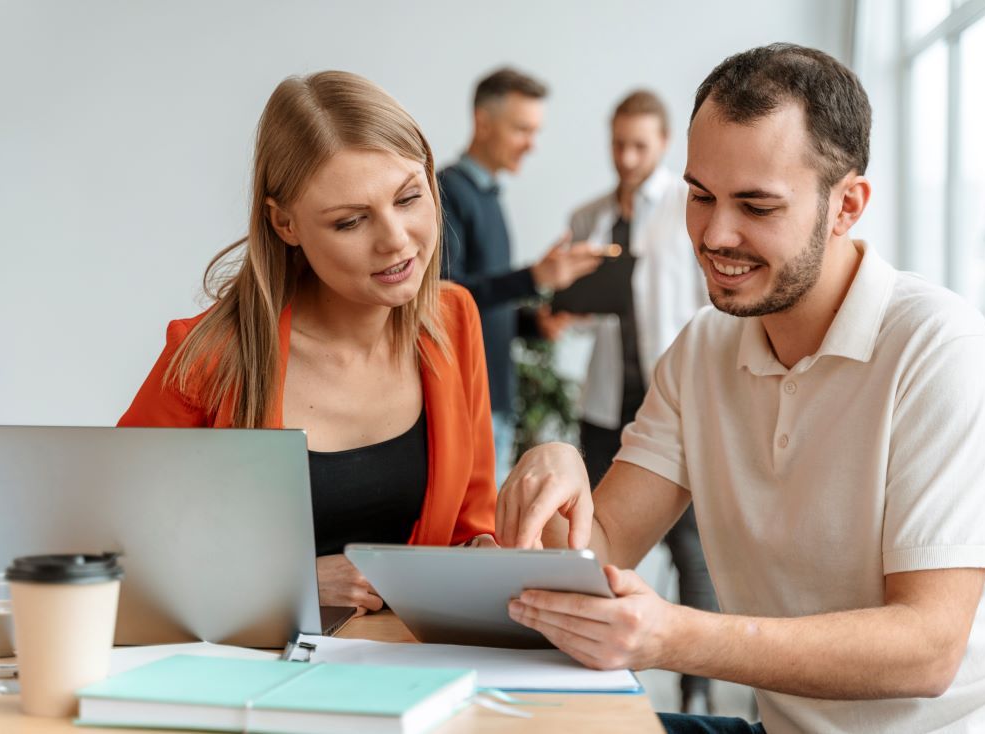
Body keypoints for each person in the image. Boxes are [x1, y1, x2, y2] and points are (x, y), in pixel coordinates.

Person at [496, 44, 985, 733]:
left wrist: (672, 636)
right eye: (700, 195)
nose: (714, 234)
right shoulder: (703, 350)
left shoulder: (939, 348)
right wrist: (559, 466)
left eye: (756, 206)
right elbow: (603, 544)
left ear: (846, 206)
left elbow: (929, 650)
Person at [119, 71, 497, 617]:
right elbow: (117, 552)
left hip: (413, 678)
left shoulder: (454, 320)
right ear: (285, 224)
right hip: (254, 687)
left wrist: (496, 555)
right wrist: (286, 582)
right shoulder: (208, 356)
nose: (395, 239)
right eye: (349, 222)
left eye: (410, 197)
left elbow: (470, 529)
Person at [559, 90, 716, 714]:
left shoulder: (688, 210)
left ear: (664, 143)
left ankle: (696, 689)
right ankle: (591, 674)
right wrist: (563, 302)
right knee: (595, 542)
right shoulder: (589, 214)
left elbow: (709, 306)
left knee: (692, 548)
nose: (627, 158)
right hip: (604, 405)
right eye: (618, 144)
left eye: (640, 146)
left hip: (672, 402)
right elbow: (572, 316)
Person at [438, 67, 603, 486]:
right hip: (465, 401)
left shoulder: (489, 196)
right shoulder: (447, 193)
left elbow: (484, 306)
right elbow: (444, 298)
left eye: (536, 131)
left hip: (494, 398)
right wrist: (533, 277)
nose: (531, 144)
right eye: (522, 129)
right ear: (482, 121)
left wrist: (533, 323)